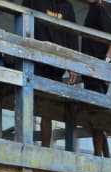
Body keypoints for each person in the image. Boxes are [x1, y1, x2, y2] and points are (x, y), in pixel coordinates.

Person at [25, 0, 77, 147]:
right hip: (35, 59)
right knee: (28, 101)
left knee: (47, 110)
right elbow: (24, 24)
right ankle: (25, 145)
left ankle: (45, 148)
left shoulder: (67, 6)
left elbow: (71, 36)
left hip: (57, 63)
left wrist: (72, 65)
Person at [79, 0, 111, 157]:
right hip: (92, 73)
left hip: (96, 72)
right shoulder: (93, 10)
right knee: (96, 115)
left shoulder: (98, 9)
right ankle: (106, 156)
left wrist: (105, 61)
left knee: (96, 115)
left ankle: (98, 156)